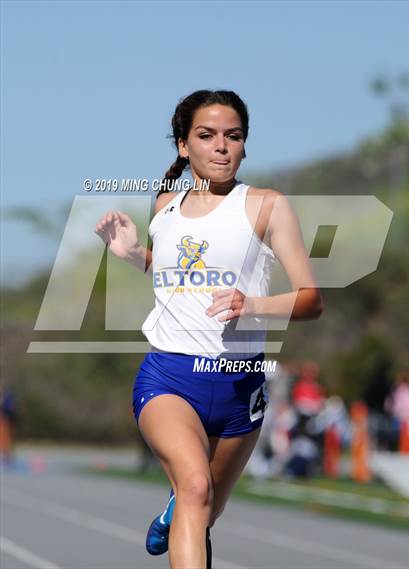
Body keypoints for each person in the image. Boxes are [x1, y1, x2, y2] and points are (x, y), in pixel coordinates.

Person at [94, 90, 323, 569]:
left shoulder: (266, 206)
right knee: (196, 488)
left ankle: (175, 509)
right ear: (184, 146)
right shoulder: (164, 207)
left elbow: (310, 299)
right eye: (207, 135)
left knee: (204, 510)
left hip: (241, 386)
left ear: (244, 146)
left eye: (233, 136)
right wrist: (135, 255)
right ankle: (183, 500)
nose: (221, 146)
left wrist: (254, 304)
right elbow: (175, 277)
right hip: (170, 379)